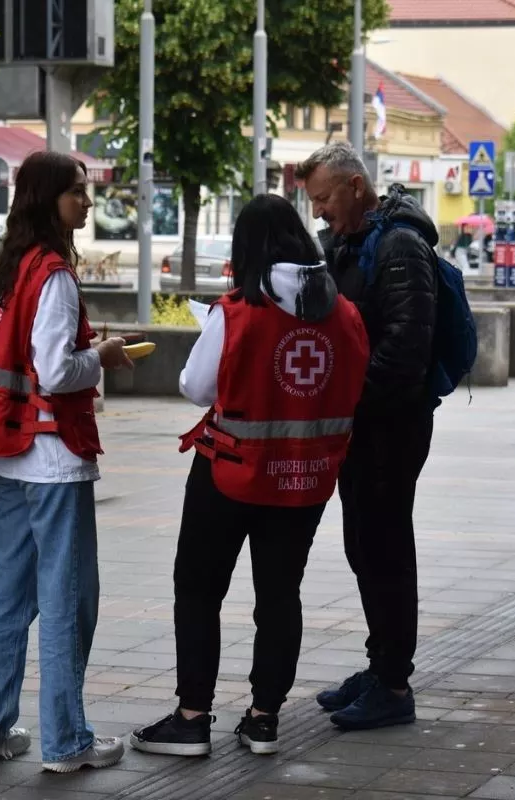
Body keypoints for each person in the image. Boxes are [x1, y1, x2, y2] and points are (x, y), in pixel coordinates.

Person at [129, 195, 369, 758]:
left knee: (198, 589)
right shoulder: (346, 314)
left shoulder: (236, 310)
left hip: (230, 474)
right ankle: (264, 720)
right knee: (281, 594)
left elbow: (196, 387)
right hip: (306, 479)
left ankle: (192, 719)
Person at [0, 151, 131, 774]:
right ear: (47, 198)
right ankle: (67, 741)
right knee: (67, 597)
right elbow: (55, 371)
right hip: (52, 458)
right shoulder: (53, 273)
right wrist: (100, 354)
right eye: (76, 192)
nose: (85, 200)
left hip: (8, 453)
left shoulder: (10, 267)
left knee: (5, 588)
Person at [297, 142, 439, 731]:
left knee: (384, 549)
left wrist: (346, 398)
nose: (320, 212)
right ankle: (380, 666)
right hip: (359, 426)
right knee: (365, 546)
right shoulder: (345, 243)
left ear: (357, 186)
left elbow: (405, 351)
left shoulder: (401, 247)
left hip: (391, 426)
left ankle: (394, 684)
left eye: (325, 198)